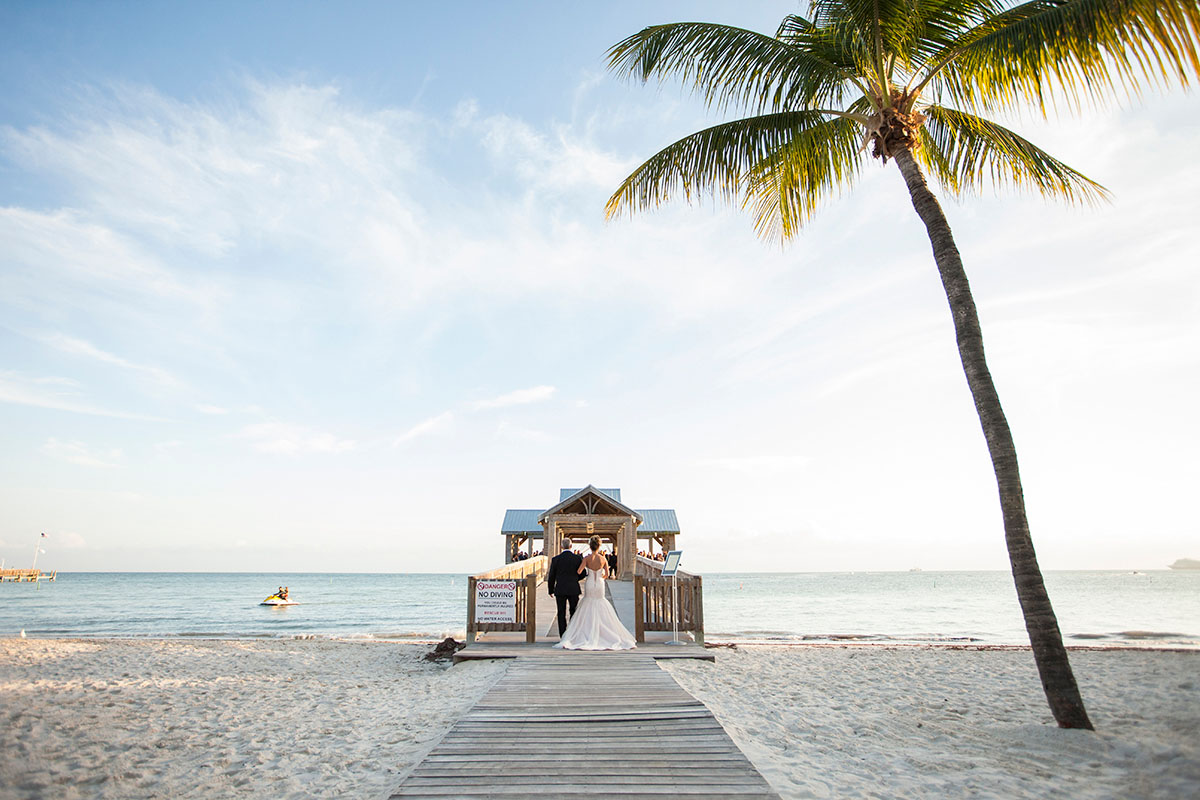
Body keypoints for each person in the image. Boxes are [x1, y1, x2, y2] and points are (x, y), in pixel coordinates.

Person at [554, 535, 636, 651]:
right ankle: (603, 634)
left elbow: (579, 571)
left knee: (588, 604)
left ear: (590, 546)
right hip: (599, 584)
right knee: (600, 604)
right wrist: (600, 576)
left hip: (590, 583)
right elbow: (607, 574)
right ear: (599, 546)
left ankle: (584, 633)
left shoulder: (586, 558)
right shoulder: (603, 559)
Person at [547, 539, 585, 637]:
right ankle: (572, 633)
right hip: (573, 588)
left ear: (561, 547)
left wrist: (551, 590)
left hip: (560, 589)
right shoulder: (577, 558)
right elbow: (583, 573)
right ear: (571, 546)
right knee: (573, 611)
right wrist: (575, 579)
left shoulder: (556, 559)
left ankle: (563, 635)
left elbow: (551, 576)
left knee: (561, 612)